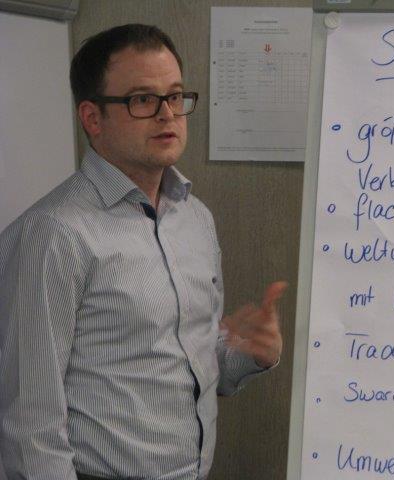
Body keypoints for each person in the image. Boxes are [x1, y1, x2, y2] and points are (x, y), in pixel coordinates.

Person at [0, 24, 286, 480]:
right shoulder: (53, 234)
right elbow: (28, 423)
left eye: (174, 96)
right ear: (93, 118)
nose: (167, 114)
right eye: (142, 99)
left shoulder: (195, 218)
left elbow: (191, 362)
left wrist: (250, 355)